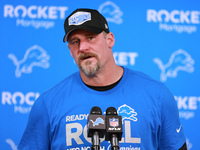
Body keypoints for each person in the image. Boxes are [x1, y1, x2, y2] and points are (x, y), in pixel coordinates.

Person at [18, 8, 187, 150]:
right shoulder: (48, 104)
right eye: (75, 41)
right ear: (70, 50)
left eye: (90, 37)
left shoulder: (157, 95)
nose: (83, 47)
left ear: (110, 40)